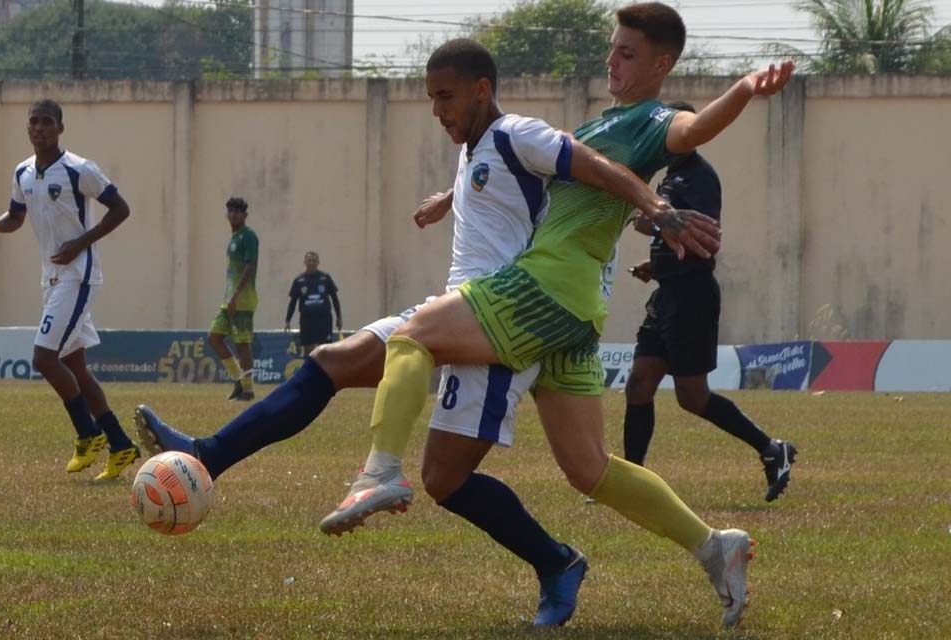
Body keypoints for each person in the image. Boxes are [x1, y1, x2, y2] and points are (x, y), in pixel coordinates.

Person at [134, 38, 716, 627]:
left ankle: (553, 560)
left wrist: (655, 206)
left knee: (446, 478)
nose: (437, 110)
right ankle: (208, 454)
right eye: (431, 98)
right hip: (456, 309)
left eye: (446, 96)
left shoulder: (518, 130)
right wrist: (449, 198)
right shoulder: (477, 147)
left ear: (481, 90)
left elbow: (590, 165)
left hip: (503, 328)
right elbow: (503, 191)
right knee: (332, 362)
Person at [322, 3, 793, 628]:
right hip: (577, 310)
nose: (612, 60)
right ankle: (716, 547)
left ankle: (380, 472)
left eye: (627, 53)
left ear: (661, 64)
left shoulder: (655, 118)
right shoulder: (607, 121)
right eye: (612, 48)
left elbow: (693, 129)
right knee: (589, 469)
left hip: (545, 290)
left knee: (414, 335)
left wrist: (743, 89)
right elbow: (542, 177)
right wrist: (450, 197)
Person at [624, 101, 797, 501]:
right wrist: (656, 265)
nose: (664, 140)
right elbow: (668, 231)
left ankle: (773, 449)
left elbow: (674, 225)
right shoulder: (674, 175)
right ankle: (631, 482)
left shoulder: (696, 177)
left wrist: (649, 217)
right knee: (639, 383)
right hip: (668, 293)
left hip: (692, 297)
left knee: (692, 396)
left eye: (670, 131)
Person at [0, 99, 140, 480]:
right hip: (52, 279)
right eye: (33, 122)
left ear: (60, 128)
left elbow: (120, 209)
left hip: (79, 274)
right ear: (27, 128)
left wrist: (80, 243)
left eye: (47, 122)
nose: (39, 128)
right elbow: (16, 217)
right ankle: (121, 446)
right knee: (76, 367)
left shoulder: (79, 170)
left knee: (43, 358)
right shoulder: (23, 172)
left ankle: (88, 434)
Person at [209, 196, 259, 402]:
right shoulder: (234, 238)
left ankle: (248, 390)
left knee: (242, 345)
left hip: (242, 300)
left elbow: (250, 266)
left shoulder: (249, 236)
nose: (233, 215)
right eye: (230, 211)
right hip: (229, 300)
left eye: (238, 211)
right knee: (214, 337)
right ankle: (238, 380)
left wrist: (236, 297)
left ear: (245, 215)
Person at [285, 251, 342, 357]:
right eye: (309, 260)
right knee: (308, 350)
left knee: (325, 350)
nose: (312, 263)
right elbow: (293, 302)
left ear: (318, 262)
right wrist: (288, 320)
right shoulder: (299, 280)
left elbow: (335, 299)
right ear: (305, 262)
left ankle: (324, 373)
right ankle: (311, 372)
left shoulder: (325, 278)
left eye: (314, 261)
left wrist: (339, 317)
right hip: (307, 321)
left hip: (324, 320)